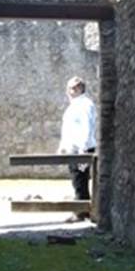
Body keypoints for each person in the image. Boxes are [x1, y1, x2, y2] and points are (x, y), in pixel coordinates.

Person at [58, 76, 96, 215]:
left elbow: (87, 127)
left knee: (80, 179)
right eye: (69, 88)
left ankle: (81, 212)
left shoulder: (85, 104)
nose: (70, 91)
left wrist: (83, 149)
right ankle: (81, 210)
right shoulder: (74, 105)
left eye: (73, 88)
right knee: (77, 179)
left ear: (80, 88)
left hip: (81, 149)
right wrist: (63, 146)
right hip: (73, 148)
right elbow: (68, 128)